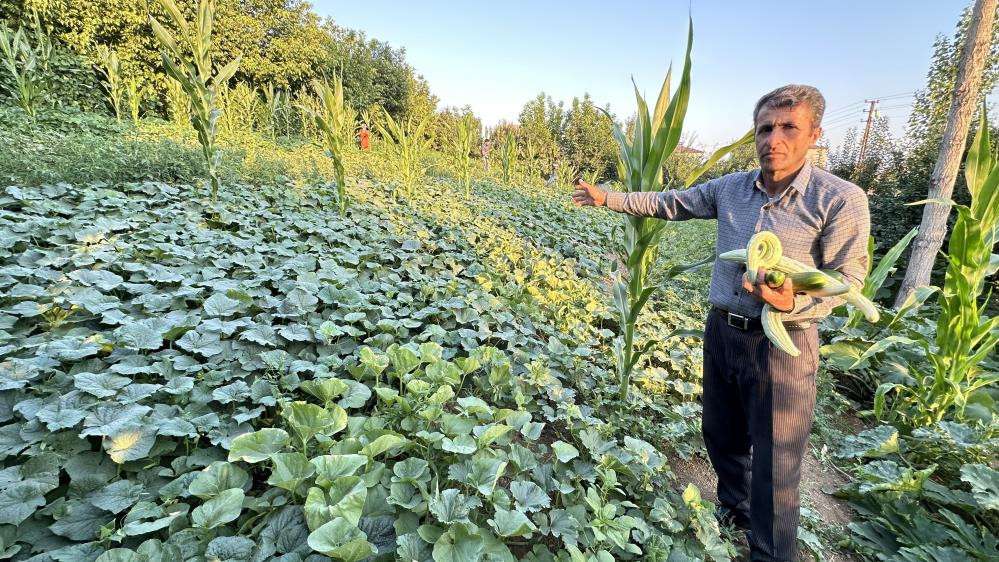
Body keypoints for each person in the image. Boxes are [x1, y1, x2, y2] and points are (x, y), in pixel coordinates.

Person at [572, 84, 870, 562]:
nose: (774, 137)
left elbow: (847, 277)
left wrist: (791, 298)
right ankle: (734, 508)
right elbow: (674, 202)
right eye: (765, 128)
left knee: (777, 464)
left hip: (783, 344)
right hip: (723, 331)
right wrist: (609, 198)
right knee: (720, 432)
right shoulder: (732, 188)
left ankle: (770, 554)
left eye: (788, 127)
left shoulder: (838, 199)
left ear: (814, 134)